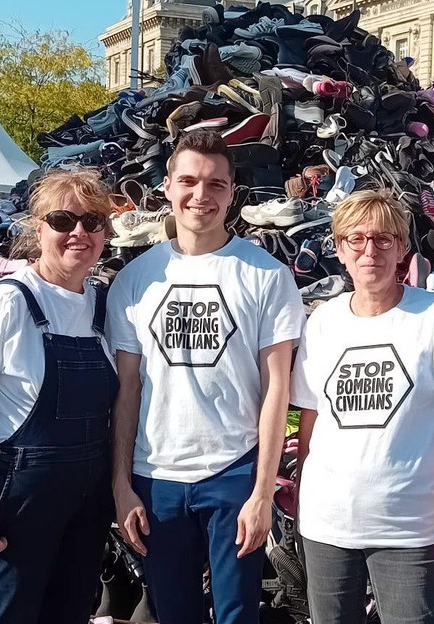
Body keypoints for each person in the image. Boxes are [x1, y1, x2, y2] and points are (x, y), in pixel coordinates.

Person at [107, 130, 304, 624]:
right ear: (168, 188)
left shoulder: (267, 275)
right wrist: (121, 484)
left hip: (234, 472)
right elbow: (126, 391)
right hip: (156, 480)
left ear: (232, 192)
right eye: (189, 181)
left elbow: (277, 389)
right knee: (173, 613)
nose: (202, 196)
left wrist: (262, 492)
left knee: (238, 614)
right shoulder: (135, 280)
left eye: (216, 184)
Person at [290, 190, 434, 624]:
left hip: (411, 528)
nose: (370, 251)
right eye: (356, 240)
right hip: (327, 524)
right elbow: (310, 416)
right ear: (339, 249)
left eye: (383, 239)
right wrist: (303, 490)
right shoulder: (323, 322)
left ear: (402, 247)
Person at [0, 169, 118, 624]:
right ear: (38, 228)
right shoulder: (8, 303)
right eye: (62, 220)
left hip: (86, 504)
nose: (79, 233)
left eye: (93, 222)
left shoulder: (104, 305)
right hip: (19, 502)